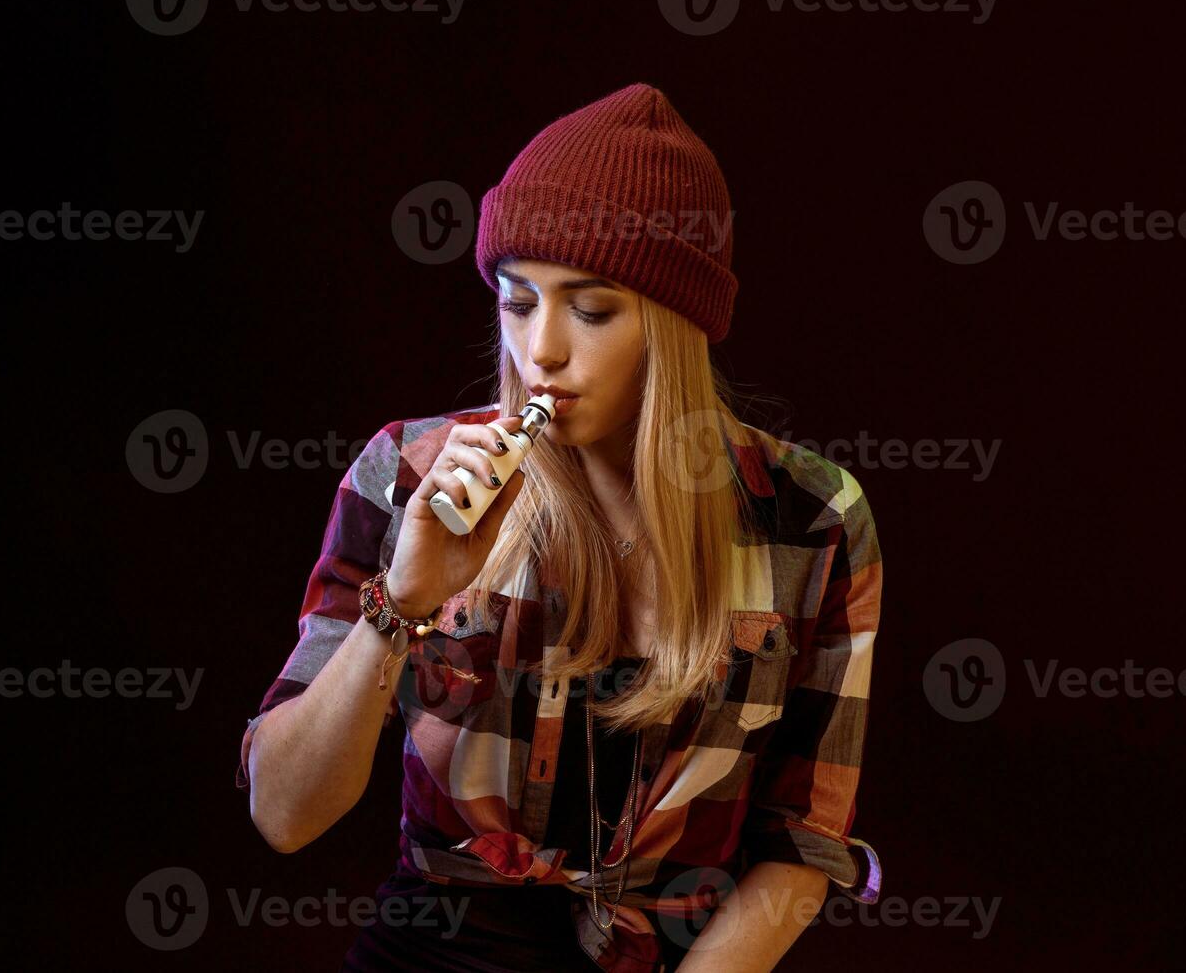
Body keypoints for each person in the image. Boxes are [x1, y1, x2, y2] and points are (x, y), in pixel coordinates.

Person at [238, 83, 883, 972]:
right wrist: (407, 602)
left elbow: (800, 847)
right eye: (516, 301)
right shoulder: (410, 475)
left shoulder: (812, 520)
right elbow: (284, 812)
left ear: (674, 323)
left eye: (590, 309)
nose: (539, 349)